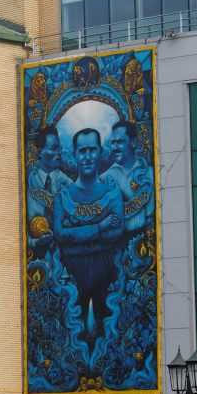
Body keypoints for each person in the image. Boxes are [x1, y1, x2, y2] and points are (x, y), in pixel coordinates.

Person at [53, 129, 124, 349]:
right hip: (72, 271)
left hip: (106, 268)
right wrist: (99, 226)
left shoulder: (113, 194)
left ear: (101, 152)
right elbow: (60, 233)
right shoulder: (62, 198)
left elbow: (117, 230)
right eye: (82, 150)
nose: (87, 156)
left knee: (106, 328)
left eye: (92, 149)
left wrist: (77, 230)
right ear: (74, 154)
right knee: (75, 328)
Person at [101, 121, 154, 243]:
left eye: (120, 142)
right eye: (113, 142)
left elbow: (151, 216)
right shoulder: (104, 178)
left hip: (141, 240)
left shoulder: (149, 173)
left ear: (133, 142)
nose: (115, 147)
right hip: (113, 244)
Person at [26, 127, 71, 254]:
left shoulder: (69, 184)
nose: (59, 152)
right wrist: (34, 242)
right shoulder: (29, 183)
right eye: (53, 148)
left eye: (59, 148)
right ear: (40, 152)